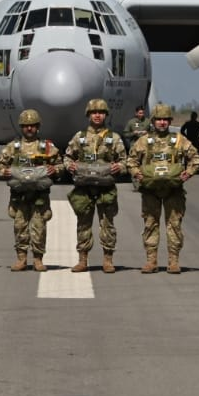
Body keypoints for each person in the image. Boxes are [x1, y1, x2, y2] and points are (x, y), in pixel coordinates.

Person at [127, 103, 199, 274]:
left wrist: (187, 174)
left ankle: (173, 261)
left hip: (173, 191)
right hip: (150, 190)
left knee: (174, 225)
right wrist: (137, 174)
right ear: (153, 121)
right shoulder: (144, 141)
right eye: (158, 119)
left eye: (165, 120)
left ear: (169, 121)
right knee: (150, 225)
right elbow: (131, 161)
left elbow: (196, 159)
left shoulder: (179, 140)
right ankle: (151, 261)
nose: (162, 123)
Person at [63, 98, 127, 273]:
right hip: (84, 188)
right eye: (94, 113)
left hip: (106, 188)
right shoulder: (80, 137)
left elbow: (124, 160)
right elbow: (67, 157)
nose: (97, 116)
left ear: (105, 115)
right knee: (83, 224)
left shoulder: (114, 138)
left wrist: (118, 167)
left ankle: (108, 259)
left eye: (101, 112)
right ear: (88, 115)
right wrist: (71, 166)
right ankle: (82, 259)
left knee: (107, 224)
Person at [0, 109, 61, 271]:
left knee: (39, 228)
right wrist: (4, 171)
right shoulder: (13, 147)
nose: (29, 129)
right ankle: (21, 258)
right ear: (21, 127)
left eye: (32, 125)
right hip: (19, 196)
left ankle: (38, 259)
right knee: (20, 227)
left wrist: (56, 170)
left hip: (39, 196)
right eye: (26, 126)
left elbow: (60, 164)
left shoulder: (47, 147)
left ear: (37, 127)